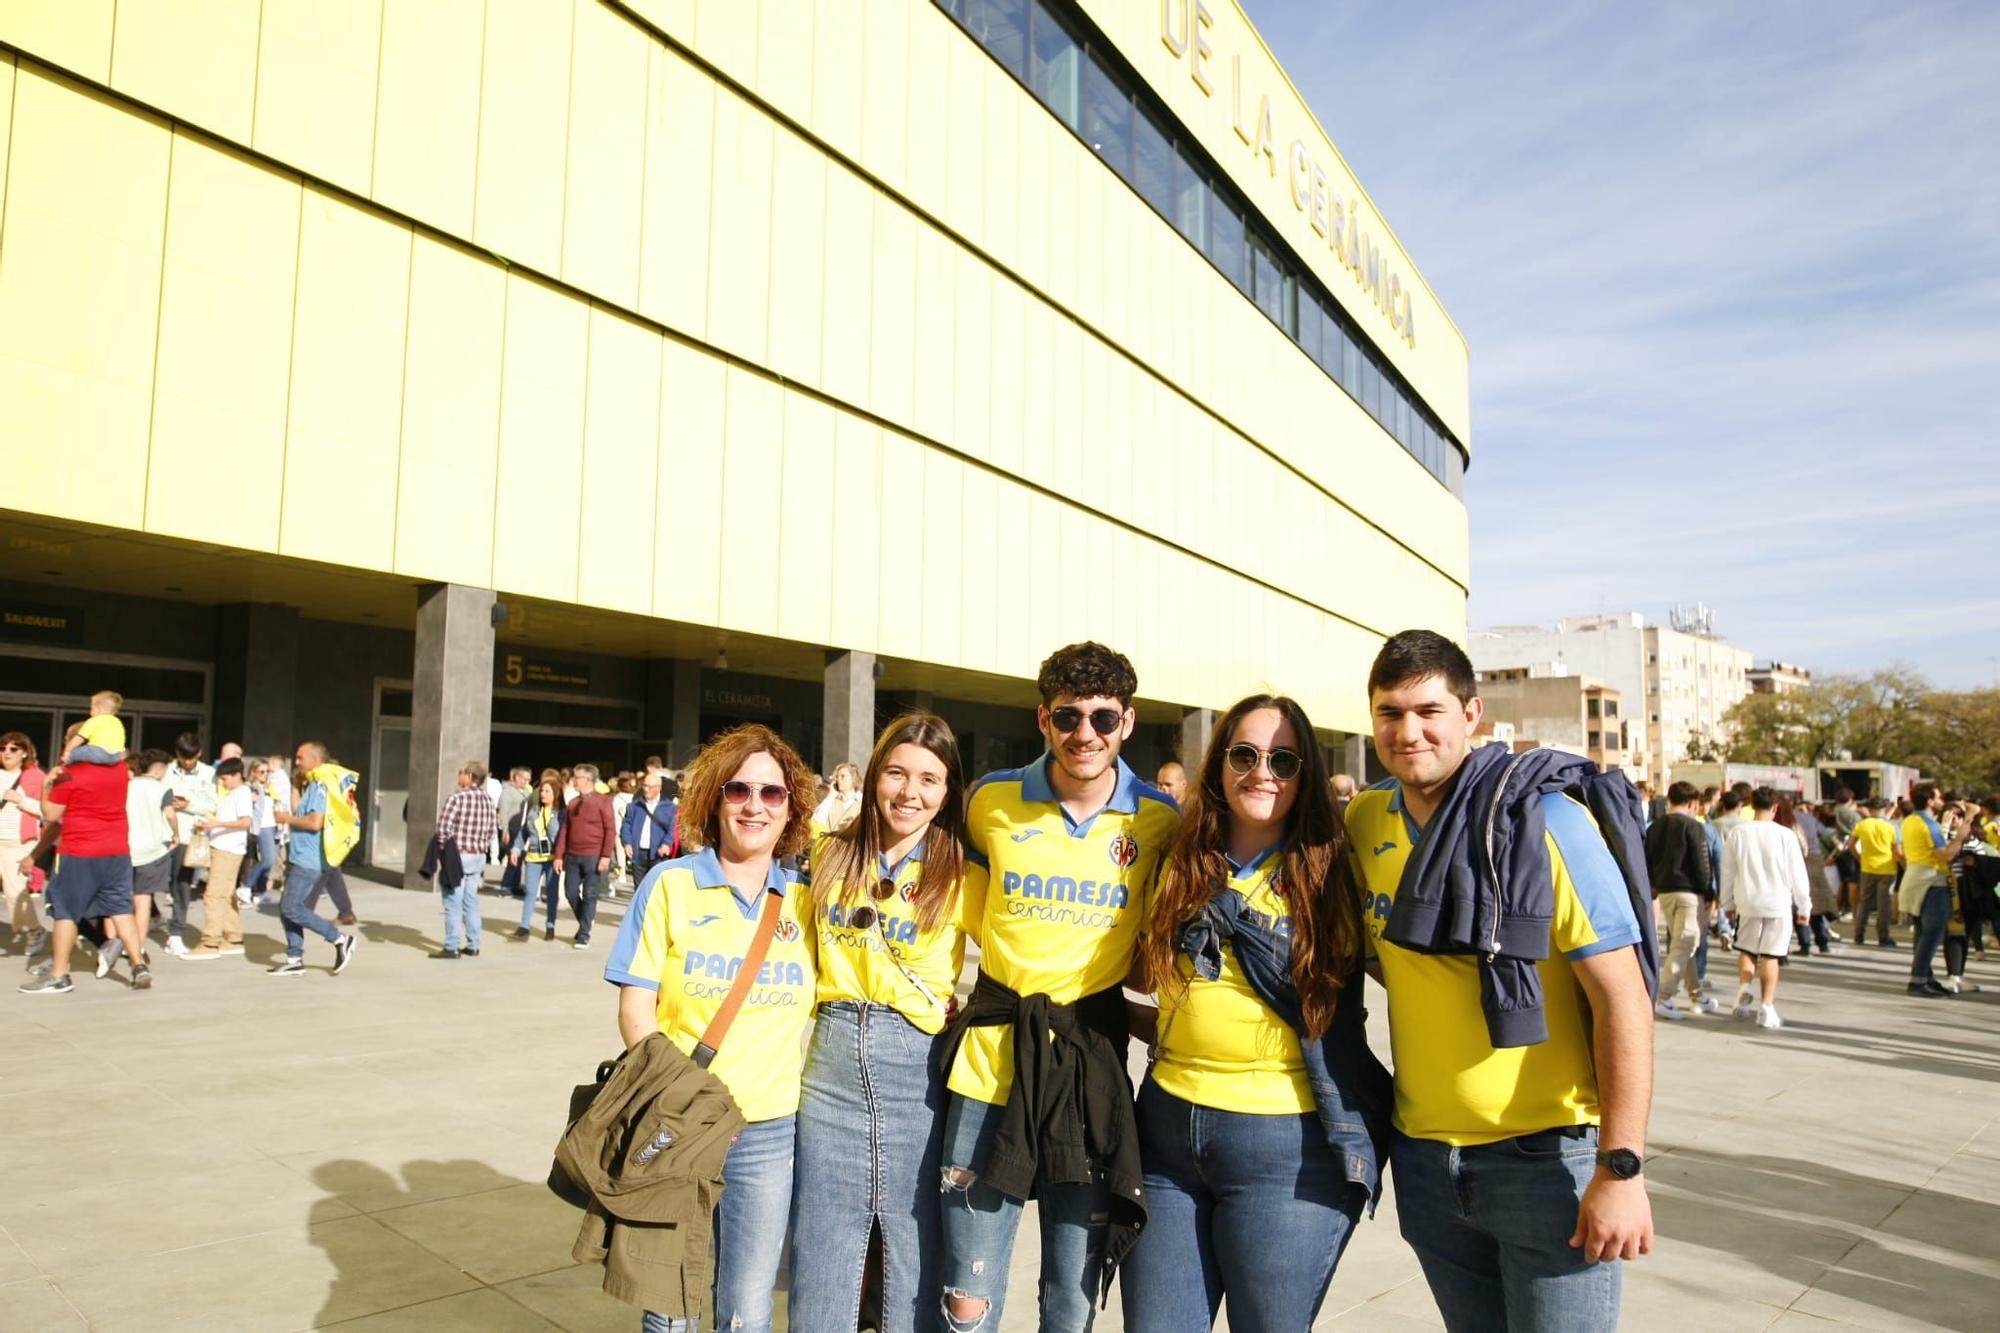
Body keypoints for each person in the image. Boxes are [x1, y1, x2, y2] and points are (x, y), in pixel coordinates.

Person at [1344, 630, 1655, 1330]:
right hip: (1425, 1160)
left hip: (1545, 1161)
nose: (1409, 730)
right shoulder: (1365, 821)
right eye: (1390, 713)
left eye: (1428, 710)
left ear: (1471, 714)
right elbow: (1382, 957)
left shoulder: (1547, 822)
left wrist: (1622, 1167)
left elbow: (1623, 997)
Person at [934, 642, 1180, 1333]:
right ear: (1044, 718)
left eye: (1103, 718)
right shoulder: (990, 801)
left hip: (1090, 1072)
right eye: (1069, 716)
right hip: (990, 1070)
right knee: (968, 1297)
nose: (1085, 734)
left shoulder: (1159, 819)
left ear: (1127, 722)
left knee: (1072, 1299)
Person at [1122, 695, 1388, 1331]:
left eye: (1283, 759)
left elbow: (1411, 977)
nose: (1261, 771)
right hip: (1165, 1133)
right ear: (1219, 765)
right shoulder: (1179, 861)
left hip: (1286, 1147)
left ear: (1306, 775)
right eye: (1244, 754)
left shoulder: (1335, 869)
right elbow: (1131, 974)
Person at [604, 724, 819, 1333]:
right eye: (738, 790)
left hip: (769, 1130)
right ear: (713, 800)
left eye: (772, 794)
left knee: (747, 1304)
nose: (754, 805)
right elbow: (635, 1008)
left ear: (792, 810)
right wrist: (682, 1101)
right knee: (670, 1300)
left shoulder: (806, 903)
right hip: (681, 1120)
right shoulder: (668, 885)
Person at [791, 713, 987, 1333]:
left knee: (913, 1238)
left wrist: (964, 1015)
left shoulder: (962, 873)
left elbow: (1019, 959)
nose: (910, 793)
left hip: (917, 1065)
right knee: (823, 1240)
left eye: (930, 779)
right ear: (875, 776)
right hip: (830, 1061)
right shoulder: (828, 855)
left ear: (949, 790)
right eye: (897, 773)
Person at [17, 725, 150, 994]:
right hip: (116, 851)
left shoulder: (69, 775)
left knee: (65, 911)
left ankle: (59, 975)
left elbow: (52, 816)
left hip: (79, 851)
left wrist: (46, 787)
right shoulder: (120, 773)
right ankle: (139, 966)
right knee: (121, 909)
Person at [1719, 788, 1811, 1029]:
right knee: (1771, 955)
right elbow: (1797, 873)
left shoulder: (1738, 833)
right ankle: (1767, 1007)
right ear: (1775, 808)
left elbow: (1728, 870)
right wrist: (1804, 905)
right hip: (1778, 902)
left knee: (1747, 949)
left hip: (1747, 900)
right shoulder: (1785, 835)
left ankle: (1744, 988)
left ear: (1751, 805)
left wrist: (1726, 902)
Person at [268, 742, 358, 977]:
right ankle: (294, 958)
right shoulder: (314, 783)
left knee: (291, 907)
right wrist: (296, 790)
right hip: (301, 856)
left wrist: (285, 818)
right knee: (287, 907)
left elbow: (314, 822)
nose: (296, 762)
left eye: (300, 757)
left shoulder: (321, 785)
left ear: (315, 759)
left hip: (309, 858)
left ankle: (340, 939)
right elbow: (302, 811)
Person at [1646, 781, 1715, 1019]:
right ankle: (1662, 996)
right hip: (1689, 891)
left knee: (1682, 944)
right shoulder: (1693, 827)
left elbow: (1647, 859)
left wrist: (1652, 885)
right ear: (1692, 803)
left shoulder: (1654, 827)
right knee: (1686, 943)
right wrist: (1709, 891)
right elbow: (1701, 861)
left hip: (1664, 891)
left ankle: (1695, 993)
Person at [1901, 782, 1975, 999]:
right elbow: (1946, 855)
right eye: (1938, 796)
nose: (1941, 799)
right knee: (1932, 935)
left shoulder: (1910, 821)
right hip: (1932, 882)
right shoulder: (1928, 824)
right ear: (1930, 800)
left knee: (1922, 934)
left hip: (1915, 880)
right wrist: (1961, 836)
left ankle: (1925, 977)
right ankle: (1918, 981)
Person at [186, 757, 252, 959]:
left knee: (214, 895)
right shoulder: (234, 793)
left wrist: (216, 825)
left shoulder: (242, 792)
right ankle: (233, 937)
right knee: (225, 894)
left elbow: (246, 822)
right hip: (224, 848)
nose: (223, 782)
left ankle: (210, 942)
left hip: (228, 849)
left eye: (225, 778)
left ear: (237, 775)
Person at [432, 761, 497, 960]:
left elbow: (443, 829)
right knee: (471, 901)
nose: (458, 775)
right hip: (477, 855)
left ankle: (451, 946)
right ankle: (473, 944)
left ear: (469, 776)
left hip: (458, 855)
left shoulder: (457, 798)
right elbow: (492, 830)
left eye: (461, 772)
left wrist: (443, 848)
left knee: (453, 901)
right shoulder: (487, 800)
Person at [161, 732, 217, 956]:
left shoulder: (209, 773)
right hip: (163, 833)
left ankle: (176, 932)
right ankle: (152, 918)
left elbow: (212, 803)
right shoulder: (166, 770)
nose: (187, 762)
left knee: (181, 884)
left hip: (188, 836)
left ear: (199, 753)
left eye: (191, 758)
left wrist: (188, 803)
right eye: (183, 757)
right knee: (145, 883)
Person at [554, 763, 618, 949]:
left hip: (593, 855)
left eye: (578, 777)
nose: (575, 780)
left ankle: (584, 933)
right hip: (573, 855)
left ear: (588, 780)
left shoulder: (603, 801)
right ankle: (586, 919)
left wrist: (605, 855)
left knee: (590, 894)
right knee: (570, 892)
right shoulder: (573, 803)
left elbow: (610, 829)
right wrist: (559, 855)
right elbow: (565, 830)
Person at [0, 731, 48, 956]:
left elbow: (46, 811)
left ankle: (35, 930)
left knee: (14, 892)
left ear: (24, 753)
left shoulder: (35, 777)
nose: (6, 753)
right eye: (2, 748)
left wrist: (21, 800)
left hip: (18, 842)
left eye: (13, 749)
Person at [509, 775, 567, 942]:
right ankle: (524, 926)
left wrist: (562, 856)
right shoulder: (534, 810)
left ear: (555, 794)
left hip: (553, 858)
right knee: (530, 892)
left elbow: (562, 836)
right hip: (534, 856)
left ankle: (550, 925)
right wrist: (516, 849)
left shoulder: (561, 813)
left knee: (551, 893)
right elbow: (523, 832)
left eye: (547, 791)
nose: (543, 794)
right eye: (542, 790)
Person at [1850, 798, 1902, 946]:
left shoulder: (1862, 825)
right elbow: (1898, 851)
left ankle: (1859, 934)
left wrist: (1860, 858)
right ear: (1884, 810)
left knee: (1864, 902)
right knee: (1884, 904)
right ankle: (1883, 936)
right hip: (1887, 868)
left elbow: (1851, 845)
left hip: (1867, 867)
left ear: (1870, 809)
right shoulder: (1892, 827)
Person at [620, 771, 679, 886]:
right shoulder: (634, 806)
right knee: (639, 888)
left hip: (658, 853)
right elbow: (626, 825)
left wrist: (667, 843)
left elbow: (673, 828)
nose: (646, 789)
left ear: (658, 788)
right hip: (638, 852)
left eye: (649, 787)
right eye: (644, 786)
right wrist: (627, 843)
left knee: (655, 887)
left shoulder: (669, 807)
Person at [496, 766, 532, 898]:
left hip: (523, 829)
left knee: (519, 858)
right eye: (524, 779)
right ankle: (505, 886)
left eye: (528, 779)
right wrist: (505, 831)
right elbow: (503, 813)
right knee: (513, 859)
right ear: (516, 777)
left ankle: (515, 885)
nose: (526, 782)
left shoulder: (527, 793)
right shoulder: (508, 792)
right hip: (512, 829)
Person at [811, 763, 863, 836]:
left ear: (853, 778)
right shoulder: (831, 800)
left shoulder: (862, 802)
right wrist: (831, 795)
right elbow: (817, 819)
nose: (839, 779)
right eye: (837, 777)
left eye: (843, 776)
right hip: (831, 844)